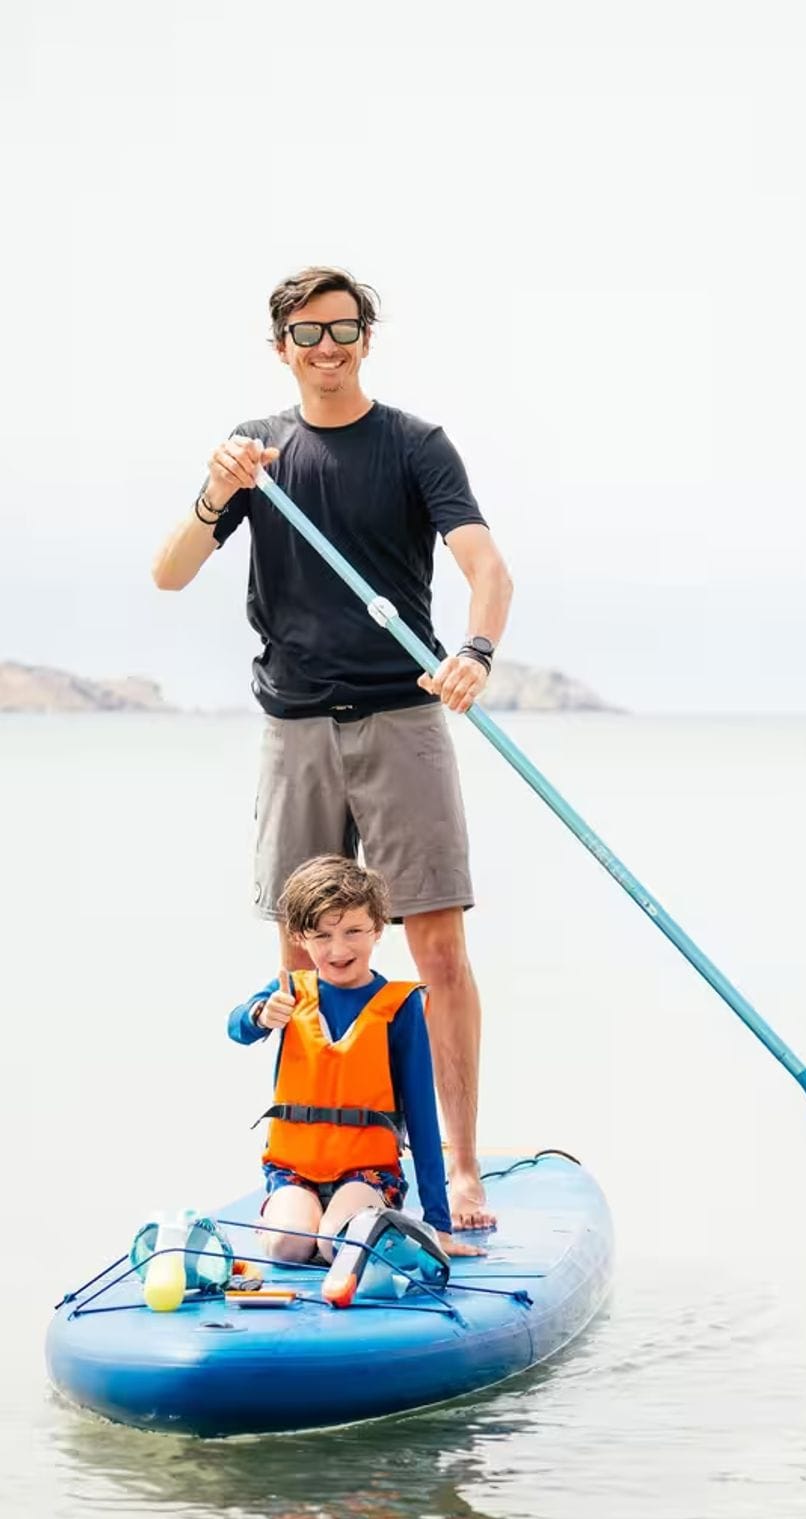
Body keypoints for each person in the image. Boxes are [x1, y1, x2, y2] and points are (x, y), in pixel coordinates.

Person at [153, 265, 513, 1232]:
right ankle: (309, 1164)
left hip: (404, 716)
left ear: (366, 337)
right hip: (296, 725)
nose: (327, 347)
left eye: (343, 329)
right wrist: (212, 494)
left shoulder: (414, 445)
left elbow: (484, 563)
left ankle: (463, 1167)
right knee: (303, 957)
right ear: (281, 348)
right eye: (307, 334)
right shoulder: (256, 451)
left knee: (435, 950)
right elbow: (170, 574)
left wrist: (474, 652)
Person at [228, 855, 484, 1262]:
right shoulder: (289, 991)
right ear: (299, 936)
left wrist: (438, 1224)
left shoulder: (399, 1007)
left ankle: (361, 1224)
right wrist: (259, 1015)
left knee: (337, 1244)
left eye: (353, 931)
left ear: (378, 930)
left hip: (367, 1174)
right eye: (322, 935)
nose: (338, 948)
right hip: (293, 1171)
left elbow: (421, 1115)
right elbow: (237, 1028)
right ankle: (290, 1221)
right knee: (286, 1247)